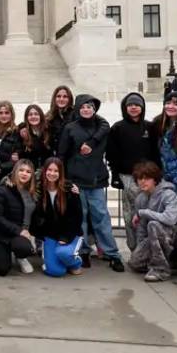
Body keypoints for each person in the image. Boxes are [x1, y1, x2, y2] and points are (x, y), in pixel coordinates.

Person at [57, 94, 124, 271]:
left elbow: (106, 131)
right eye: (83, 107)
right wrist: (64, 178)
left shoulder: (101, 127)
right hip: (76, 179)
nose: (86, 109)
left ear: (94, 110)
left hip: (96, 179)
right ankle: (84, 250)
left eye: (90, 107)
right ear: (78, 109)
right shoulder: (70, 128)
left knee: (101, 217)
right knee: (81, 218)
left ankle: (112, 253)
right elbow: (62, 154)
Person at [107, 92, 159, 251]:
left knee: (148, 214)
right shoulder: (118, 127)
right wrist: (115, 175)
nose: (134, 108)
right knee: (130, 215)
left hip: (148, 177)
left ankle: (148, 248)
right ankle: (134, 248)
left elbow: (156, 152)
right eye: (130, 105)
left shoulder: (150, 127)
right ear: (125, 107)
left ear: (142, 107)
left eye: (137, 105)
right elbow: (112, 154)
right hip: (127, 176)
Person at [30, 158, 86, 277]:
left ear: (61, 173)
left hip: (70, 234)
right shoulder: (39, 189)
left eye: (56, 171)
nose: (52, 173)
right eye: (49, 170)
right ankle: (60, 263)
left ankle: (75, 263)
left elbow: (77, 217)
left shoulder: (69, 189)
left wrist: (66, 237)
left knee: (63, 253)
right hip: (50, 235)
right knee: (56, 271)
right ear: (44, 171)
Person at [126, 162, 177, 282]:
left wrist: (143, 212)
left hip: (171, 236)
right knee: (134, 263)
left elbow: (170, 219)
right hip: (152, 237)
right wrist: (139, 249)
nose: (142, 182)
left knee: (153, 225)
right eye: (140, 178)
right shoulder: (140, 198)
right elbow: (141, 228)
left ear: (155, 179)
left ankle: (160, 270)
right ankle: (168, 263)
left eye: (147, 178)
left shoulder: (169, 194)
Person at [0, 159, 38, 276]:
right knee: (2, 270)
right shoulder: (3, 190)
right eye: (21, 170)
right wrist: (19, 231)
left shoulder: (34, 192)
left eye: (28, 171)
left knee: (24, 248)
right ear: (15, 171)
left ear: (32, 175)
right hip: (2, 234)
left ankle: (20, 256)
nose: (24, 174)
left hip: (21, 236)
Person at [17, 103, 51, 168]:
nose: (33, 116)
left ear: (41, 116)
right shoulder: (22, 132)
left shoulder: (48, 130)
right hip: (27, 170)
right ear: (26, 118)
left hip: (45, 170)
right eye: (30, 115)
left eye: (36, 114)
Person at [45, 85, 75, 155]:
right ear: (54, 98)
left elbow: (103, 123)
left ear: (70, 99)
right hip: (56, 157)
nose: (61, 99)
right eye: (58, 96)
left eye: (65, 97)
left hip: (72, 157)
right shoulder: (49, 116)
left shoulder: (76, 113)